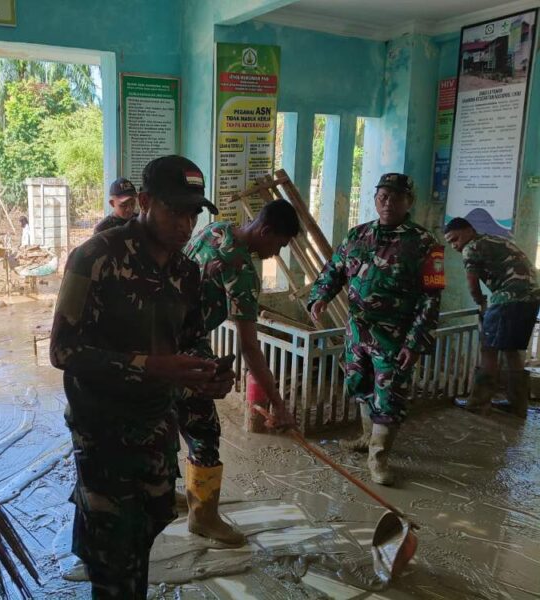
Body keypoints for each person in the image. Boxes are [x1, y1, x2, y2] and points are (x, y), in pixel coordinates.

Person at [50, 155, 234, 598]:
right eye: (175, 211)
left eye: (193, 213)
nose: (186, 225)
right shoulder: (96, 257)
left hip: (157, 428)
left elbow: (190, 341)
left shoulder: (186, 272)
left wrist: (206, 375)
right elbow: (63, 350)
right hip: (103, 433)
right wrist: (151, 365)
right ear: (146, 201)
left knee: (147, 533)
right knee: (112, 556)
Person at [308, 173, 444, 485]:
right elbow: (334, 270)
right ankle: (367, 436)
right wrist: (320, 297)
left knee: (389, 394)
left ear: (409, 202)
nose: (387, 202)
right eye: (382, 196)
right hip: (357, 332)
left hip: (395, 337)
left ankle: (379, 457)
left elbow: (431, 298)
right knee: (360, 383)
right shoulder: (358, 235)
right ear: (374, 199)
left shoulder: (425, 243)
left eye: (396, 197)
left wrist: (415, 341)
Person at [182, 199, 300, 544]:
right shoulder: (244, 273)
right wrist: (278, 403)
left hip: (157, 334)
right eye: (279, 244)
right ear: (266, 231)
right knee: (203, 430)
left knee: (163, 419)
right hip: (186, 345)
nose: (276, 252)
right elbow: (249, 347)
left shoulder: (215, 230)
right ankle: (203, 517)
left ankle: (165, 493)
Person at [444, 218, 540, 417]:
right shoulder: (495, 240)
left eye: (455, 239)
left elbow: (472, 283)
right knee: (513, 351)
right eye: (450, 243)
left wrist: (481, 303)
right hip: (531, 299)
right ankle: (517, 405)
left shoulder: (471, 247)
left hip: (508, 299)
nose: (454, 246)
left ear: (469, 231)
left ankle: (478, 403)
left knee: (489, 350)